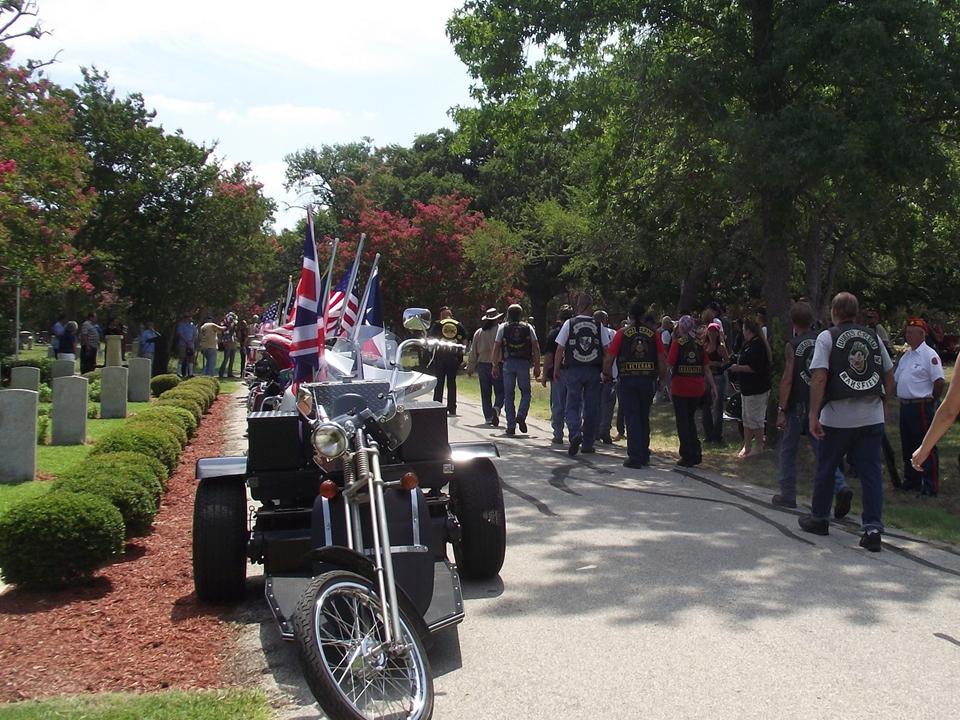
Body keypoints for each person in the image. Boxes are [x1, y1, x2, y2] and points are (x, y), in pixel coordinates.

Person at [798, 292, 895, 552]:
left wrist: (813, 414)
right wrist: (884, 404)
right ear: (856, 312)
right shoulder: (873, 336)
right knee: (871, 473)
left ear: (834, 312)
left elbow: (819, 377)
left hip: (837, 416)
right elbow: (889, 374)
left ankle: (820, 518)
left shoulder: (827, 337)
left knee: (827, 466)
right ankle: (872, 528)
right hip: (871, 414)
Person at [774, 301, 850, 510]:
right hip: (820, 404)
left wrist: (781, 409)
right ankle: (840, 485)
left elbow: (787, 379)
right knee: (822, 450)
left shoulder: (793, 345)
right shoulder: (824, 339)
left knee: (788, 450)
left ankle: (787, 493)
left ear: (793, 322)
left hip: (797, 405)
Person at [604, 304, 661, 468]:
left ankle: (635, 456)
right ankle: (644, 454)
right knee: (643, 416)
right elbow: (662, 360)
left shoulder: (621, 334)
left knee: (632, 417)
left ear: (629, 316)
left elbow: (610, 358)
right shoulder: (654, 334)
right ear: (643, 316)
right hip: (647, 380)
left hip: (627, 380)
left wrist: (606, 374)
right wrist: (661, 379)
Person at [894, 317, 945, 496]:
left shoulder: (929, 355)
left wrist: (932, 400)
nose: (907, 335)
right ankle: (912, 480)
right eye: (906, 332)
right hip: (905, 406)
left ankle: (930, 485)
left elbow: (939, 381)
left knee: (925, 444)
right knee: (908, 444)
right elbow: (896, 379)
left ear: (921, 335)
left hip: (921, 405)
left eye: (910, 332)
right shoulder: (906, 356)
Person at [553, 293, 608, 456]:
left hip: (574, 369)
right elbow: (607, 350)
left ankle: (575, 433)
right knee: (591, 407)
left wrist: (556, 369)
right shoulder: (599, 325)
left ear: (578, 305)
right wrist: (606, 371)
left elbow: (560, 348)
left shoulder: (569, 323)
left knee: (572, 404)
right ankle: (588, 443)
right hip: (593, 370)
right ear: (591, 306)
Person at [667, 315, 718, 467]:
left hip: (680, 388)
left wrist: (665, 384)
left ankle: (687, 455)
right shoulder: (700, 344)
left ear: (681, 327)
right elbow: (706, 368)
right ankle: (696, 452)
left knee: (683, 422)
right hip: (697, 388)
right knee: (690, 420)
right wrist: (713, 386)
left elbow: (670, 364)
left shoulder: (677, 344)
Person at [492, 304, 541, 436]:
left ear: (508, 314)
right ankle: (521, 414)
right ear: (521, 314)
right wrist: (537, 365)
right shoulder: (528, 327)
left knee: (509, 394)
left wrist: (495, 365)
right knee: (526, 392)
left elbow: (496, 347)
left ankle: (511, 425)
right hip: (524, 363)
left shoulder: (503, 327)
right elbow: (536, 346)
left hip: (508, 363)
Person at [729, 318, 771, 458]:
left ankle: (759, 446)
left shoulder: (758, 345)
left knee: (756, 418)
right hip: (746, 388)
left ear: (748, 330)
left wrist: (738, 368)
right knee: (746, 417)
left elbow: (755, 367)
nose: (742, 332)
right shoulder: (748, 344)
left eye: (743, 329)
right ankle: (747, 446)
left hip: (757, 388)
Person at [466, 308, 505, 426]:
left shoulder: (479, 332)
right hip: (498, 364)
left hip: (482, 365)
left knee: (485, 392)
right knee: (501, 390)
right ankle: (497, 407)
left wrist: (470, 367)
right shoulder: (501, 330)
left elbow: (473, 352)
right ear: (497, 319)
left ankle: (488, 416)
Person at [540, 304, 573, 444]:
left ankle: (558, 434)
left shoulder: (554, 333)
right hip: (573, 371)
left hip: (558, 372)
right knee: (573, 404)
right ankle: (574, 433)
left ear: (559, 317)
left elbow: (548, 356)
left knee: (558, 404)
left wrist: (544, 374)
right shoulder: (576, 331)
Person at [429, 306, 467, 416]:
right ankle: (452, 408)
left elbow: (431, 340)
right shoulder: (458, 325)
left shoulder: (437, 325)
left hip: (440, 357)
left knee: (439, 383)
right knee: (452, 384)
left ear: (441, 316)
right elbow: (464, 341)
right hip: (453, 358)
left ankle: (437, 406)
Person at [701, 320, 729, 444]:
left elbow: (727, 361)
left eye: (714, 332)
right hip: (706, 377)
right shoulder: (704, 346)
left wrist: (717, 363)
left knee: (717, 406)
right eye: (710, 331)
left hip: (718, 377)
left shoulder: (721, 347)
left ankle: (717, 435)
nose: (712, 334)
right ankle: (708, 433)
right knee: (705, 405)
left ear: (718, 333)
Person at [594, 310, 617, 444]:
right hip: (610, 373)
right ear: (606, 320)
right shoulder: (613, 333)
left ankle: (595, 430)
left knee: (594, 402)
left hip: (595, 373)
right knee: (608, 404)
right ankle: (605, 430)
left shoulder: (590, 332)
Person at [219, 311, 239, 378]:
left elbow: (234, 331)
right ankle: (221, 373)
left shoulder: (234, 325)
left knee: (232, 359)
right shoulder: (225, 324)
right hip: (227, 341)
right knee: (226, 358)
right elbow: (225, 332)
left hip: (233, 341)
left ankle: (230, 373)